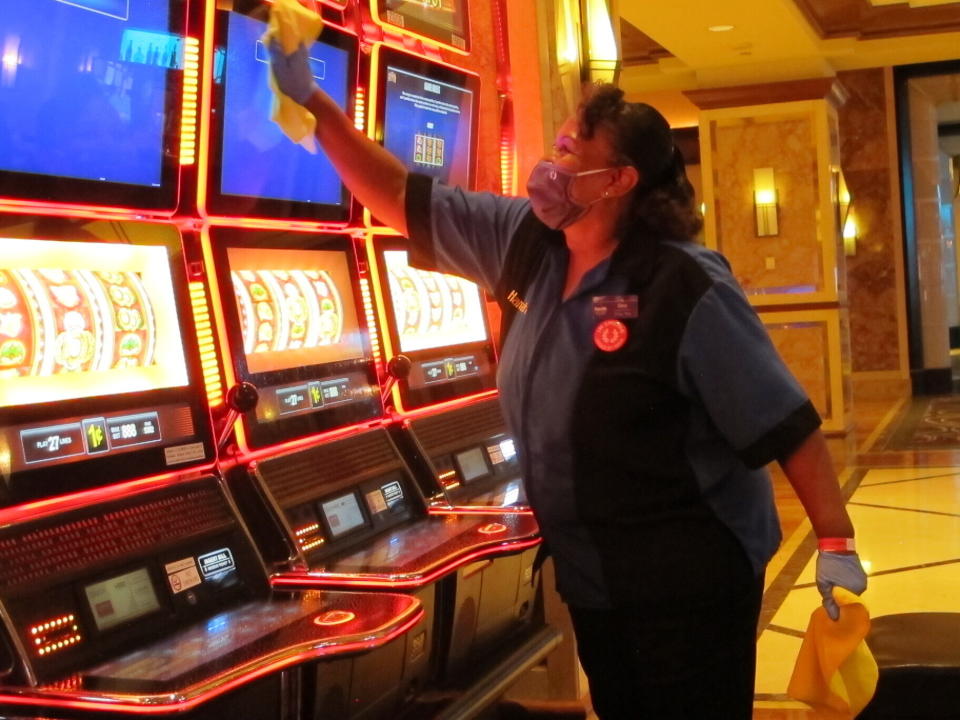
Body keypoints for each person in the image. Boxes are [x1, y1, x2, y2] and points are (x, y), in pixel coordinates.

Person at [269, 41, 868, 719]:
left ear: (617, 181)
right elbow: (404, 198)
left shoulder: (681, 284)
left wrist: (835, 543)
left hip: (689, 575)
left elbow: (786, 424)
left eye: (568, 153)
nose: (547, 167)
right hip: (595, 570)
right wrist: (315, 106)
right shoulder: (529, 243)